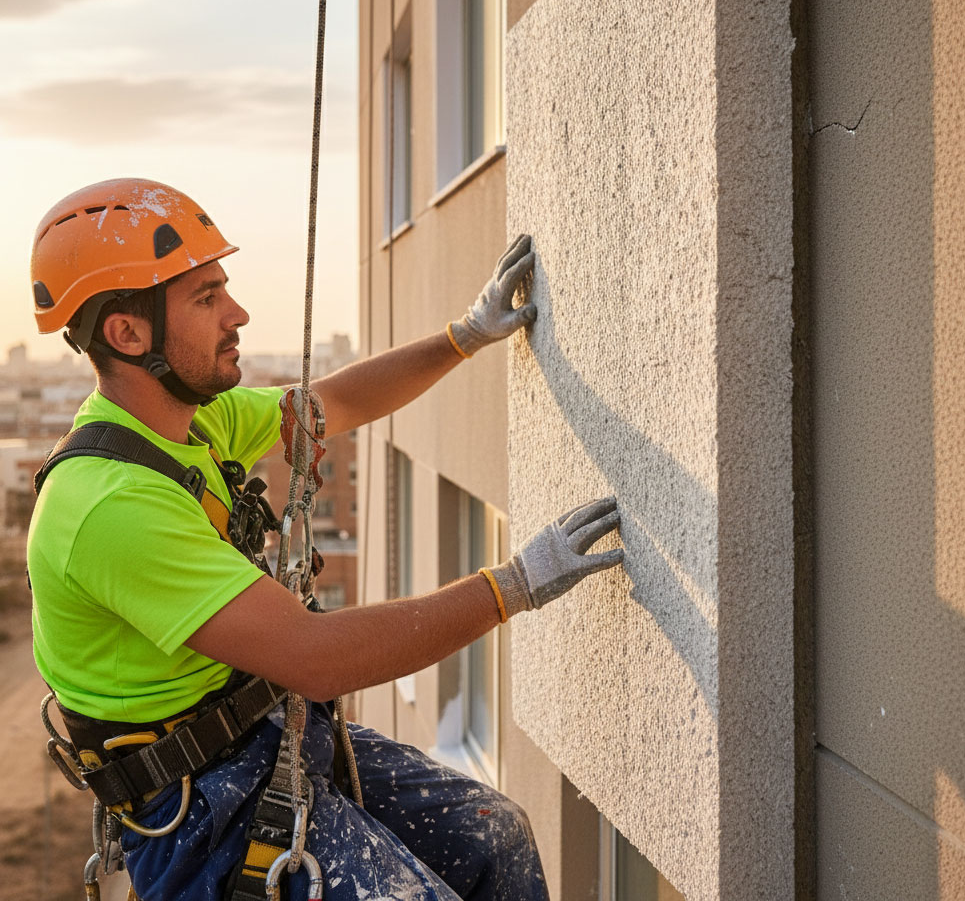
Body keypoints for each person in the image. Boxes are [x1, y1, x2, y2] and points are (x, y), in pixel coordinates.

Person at [28, 177, 624, 901]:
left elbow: (330, 403)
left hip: (259, 736)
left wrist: (463, 336)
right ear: (129, 334)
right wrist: (513, 586)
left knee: (492, 832)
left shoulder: (191, 424)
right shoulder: (108, 507)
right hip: (198, 812)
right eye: (206, 298)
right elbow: (320, 658)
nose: (238, 313)